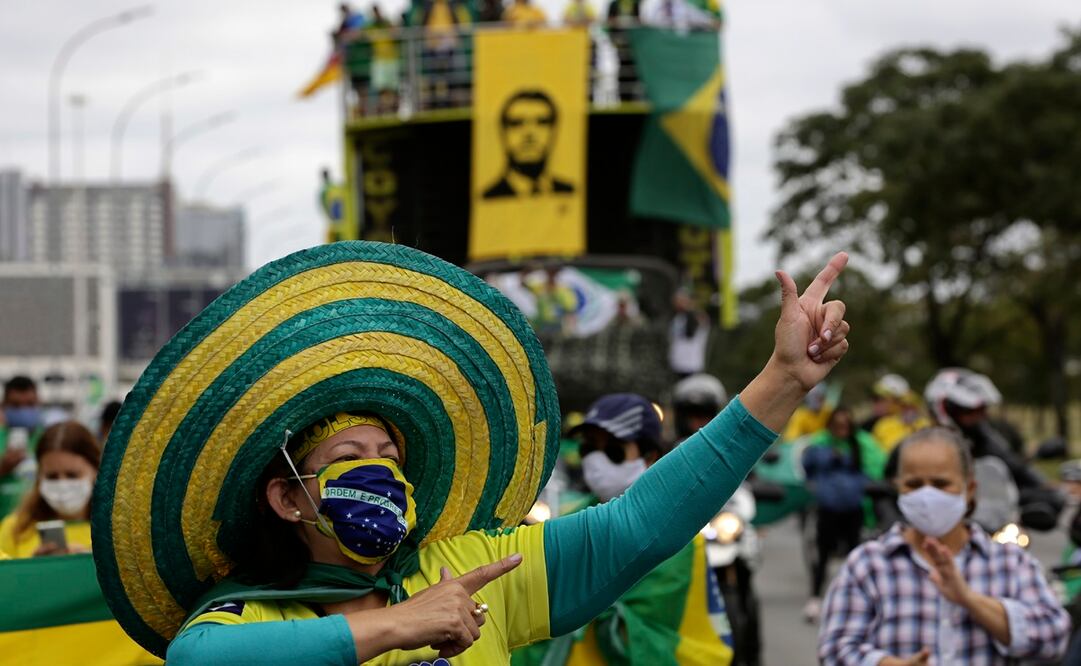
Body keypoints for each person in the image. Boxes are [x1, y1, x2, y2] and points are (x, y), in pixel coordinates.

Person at [90, 242, 851, 663]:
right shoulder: (247, 615)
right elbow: (198, 661)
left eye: (389, 456)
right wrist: (404, 624)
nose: (378, 473)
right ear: (288, 498)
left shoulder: (472, 570)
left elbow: (638, 526)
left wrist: (782, 380)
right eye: (349, 456)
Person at [513, 393, 733, 665]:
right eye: (589, 448)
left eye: (613, 450)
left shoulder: (679, 536)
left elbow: (644, 629)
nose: (596, 460)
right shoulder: (569, 518)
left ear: (650, 456)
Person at [819, 428, 1069, 664]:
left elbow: (1054, 637)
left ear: (969, 489)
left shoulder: (1009, 562)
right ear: (898, 487)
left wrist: (969, 599)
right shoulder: (868, 565)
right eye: (914, 484)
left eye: (940, 484)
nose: (927, 496)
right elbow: (834, 650)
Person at [801, 407, 886, 623]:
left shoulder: (861, 445)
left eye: (846, 426)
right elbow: (808, 467)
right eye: (837, 426)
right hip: (828, 509)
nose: (842, 430)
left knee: (853, 555)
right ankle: (815, 598)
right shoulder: (820, 445)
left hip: (853, 509)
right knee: (822, 555)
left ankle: (854, 601)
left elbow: (873, 469)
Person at [0, 420, 99, 558]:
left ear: (95, 470)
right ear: (39, 476)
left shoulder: (117, 532)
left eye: (72, 475)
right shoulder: (15, 529)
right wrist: (37, 566)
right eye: (52, 476)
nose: (62, 484)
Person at [482, 90, 575, 199]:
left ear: (554, 131)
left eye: (541, 122)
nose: (529, 133)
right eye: (516, 123)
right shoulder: (487, 198)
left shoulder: (570, 193)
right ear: (503, 132)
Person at [0, 376, 45, 518]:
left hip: (36, 524)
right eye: (16, 405)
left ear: (38, 404)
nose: (23, 410)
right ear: (4, 406)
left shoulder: (50, 439)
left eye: (30, 404)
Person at [668, 290, 710, 379]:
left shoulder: (697, 316)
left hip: (691, 364)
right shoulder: (677, 317)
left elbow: (691, 332)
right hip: (677, 363)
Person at [367, 5, 401, 115]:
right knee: (382, 88)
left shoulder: (387, 23)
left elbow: (396, 33)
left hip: (391, 60)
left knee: (393, 88)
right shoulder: (370, 26)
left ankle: (394, 110)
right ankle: (385, 110)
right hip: (379, 61)